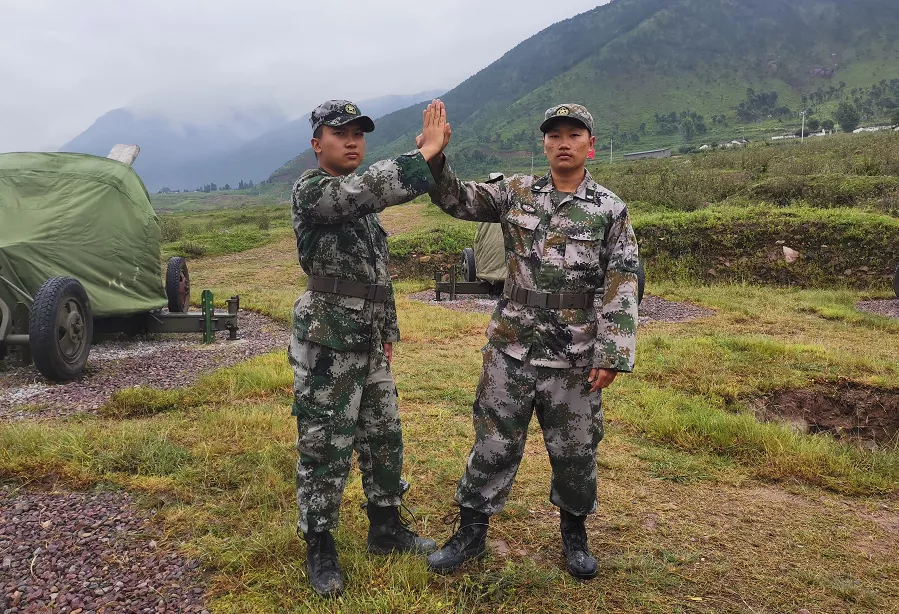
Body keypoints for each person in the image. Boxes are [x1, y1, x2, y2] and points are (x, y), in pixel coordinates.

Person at [421, 101, 640, 579]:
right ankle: (470, 534)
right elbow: (458, 198)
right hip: (511, 351)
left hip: (576, 356)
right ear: (544, 144)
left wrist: (613, 351)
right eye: (554, 134)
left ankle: (574, 536)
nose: (563, 142)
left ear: (590, 146)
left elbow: (623, 280)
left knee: (576, 450)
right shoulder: (516, 192)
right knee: (493, 444)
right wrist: (435, 159)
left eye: (574, 134)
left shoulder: (609, 209)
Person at [289, 99, 449, 596]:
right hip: (329, 342)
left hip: (369, 339)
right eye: (340, 133)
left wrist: (387, 332)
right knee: (325, 445)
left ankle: (385, 527)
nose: (352, 140)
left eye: (359, 132)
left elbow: (377, 279)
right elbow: (363, 191)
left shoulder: (362, 209)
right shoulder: (314, 191)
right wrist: (420, 156)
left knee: (383, 436)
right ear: (318, 144)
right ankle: (321, 545)